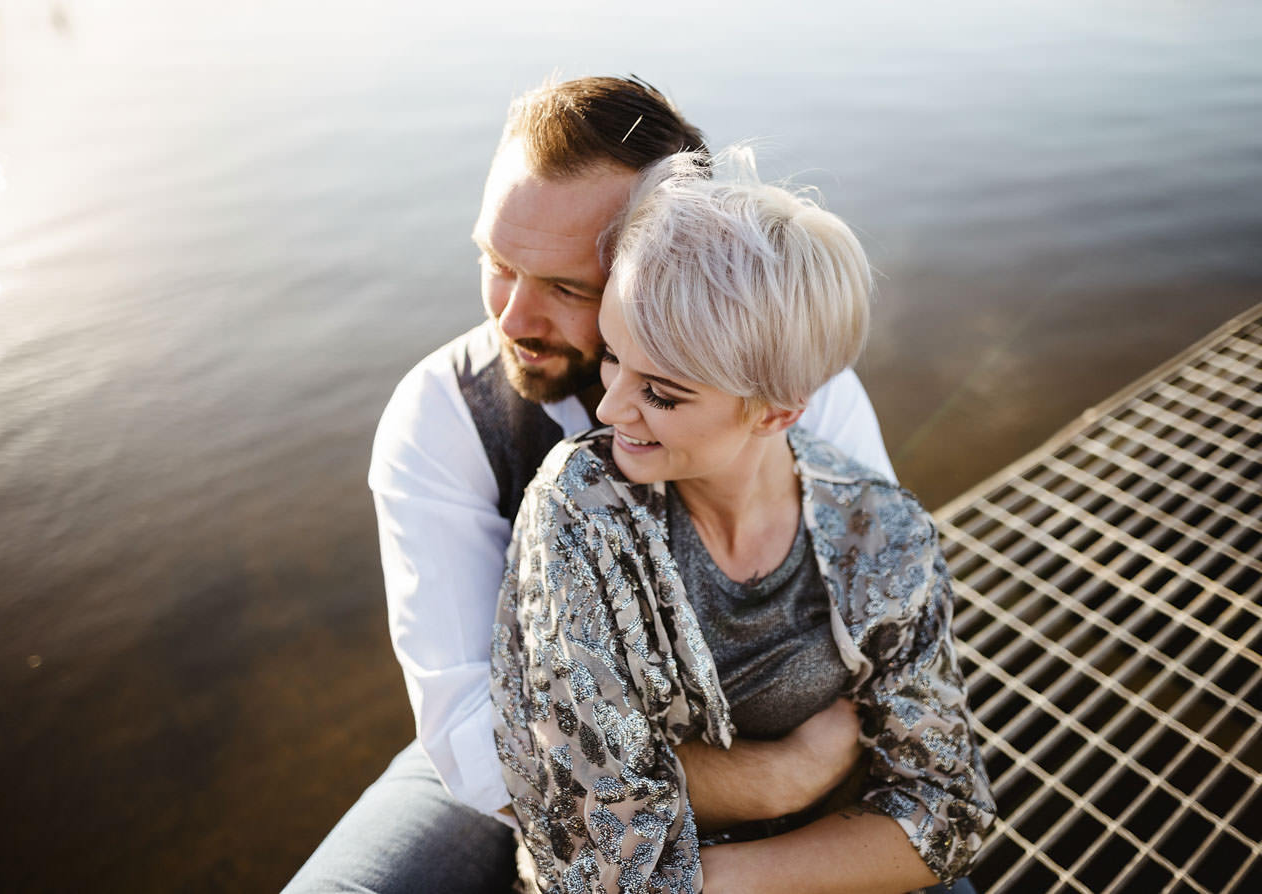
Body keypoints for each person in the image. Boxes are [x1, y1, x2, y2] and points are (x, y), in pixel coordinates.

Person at [284, 77, 897, 894]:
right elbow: (471, 742)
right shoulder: (443, 417)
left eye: (567, 288)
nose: (510, 318)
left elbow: (885, 648)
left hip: (770, 705)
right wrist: (770, 779)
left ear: (665, 257)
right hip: (527, 748)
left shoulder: (789, 383)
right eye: (495, 263)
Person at [491, 148, 994, 893]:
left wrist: (724, 878)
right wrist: (785, 783)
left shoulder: (883, 533)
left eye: (660, 392)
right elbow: (591, 845)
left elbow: (947, 810)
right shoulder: (580, 508)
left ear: (777, 411)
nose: (608, 409)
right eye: (613, 359)